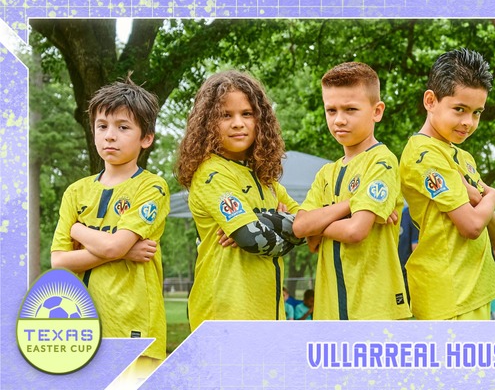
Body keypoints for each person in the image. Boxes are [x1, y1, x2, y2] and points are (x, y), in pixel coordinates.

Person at [50, 79, 170, 383]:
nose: (110, 136)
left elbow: (114, 247)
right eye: (102, 126)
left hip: (134, 325)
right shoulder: (76, 192)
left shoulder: (152, 187)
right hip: (82, 325)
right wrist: (123, 251)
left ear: (146, 138)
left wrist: (78, 229)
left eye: (123, 127)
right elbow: (59, 262)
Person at [177, 71, 303, 329]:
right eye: (226, 115)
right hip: (225, 314)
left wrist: (263, 220)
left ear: (260, 120)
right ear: (208, 123)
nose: (238, 123)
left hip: (268, 314)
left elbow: (307, 226)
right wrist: (283, 225)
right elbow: (252, 239)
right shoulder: (212, 173)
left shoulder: (266, 180)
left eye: (247, 113)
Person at [293, 62, 412, 320]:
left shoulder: (382, 161)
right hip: (329, 313)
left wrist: (319, 223)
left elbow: (355, 231)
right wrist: (351, 205)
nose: (339, 119)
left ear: (376, 111)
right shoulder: (326, 173)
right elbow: (301, 229)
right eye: (331, 110)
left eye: (350, 109)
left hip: (374, 310)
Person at [399, 48, 495, 320]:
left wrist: (481, 200)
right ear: (430, 101)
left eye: (477, 112)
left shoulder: (464, 158)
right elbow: (472, 226)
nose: (468, 122)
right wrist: (491, 197)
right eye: (459, 109)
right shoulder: (423, 154)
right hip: (447, 294)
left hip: (476, 290)